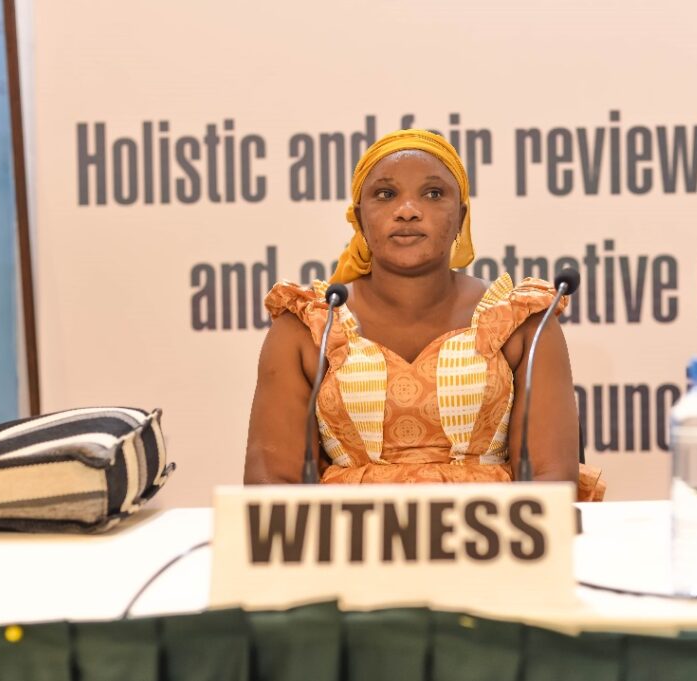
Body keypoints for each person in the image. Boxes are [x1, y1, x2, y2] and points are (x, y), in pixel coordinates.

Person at [244, 129, 604, 500]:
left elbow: (550, 482)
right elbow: (270, 487)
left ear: (461, 216)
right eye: (386, 194)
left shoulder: (521, 320)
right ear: (359, 217)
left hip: (489, 532)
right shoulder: (310, 325)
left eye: (433, 194)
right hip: (348, 534)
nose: (407, 211)